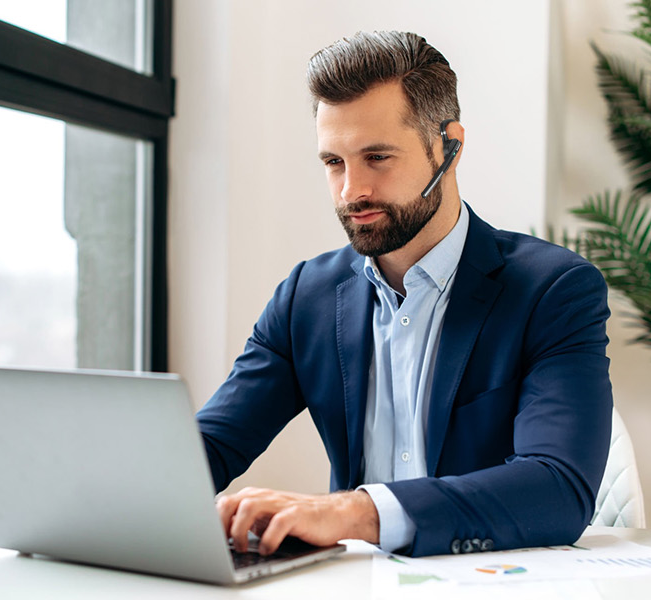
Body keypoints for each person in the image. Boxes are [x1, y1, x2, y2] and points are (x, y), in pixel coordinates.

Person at [197, 31, 613, 558]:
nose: (351, 190)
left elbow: (558, 489)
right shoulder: (307, 297)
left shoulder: (553, 290)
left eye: (377, 157)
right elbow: (209, 448)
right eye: (334, 162)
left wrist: (354, 512)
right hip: (355, 587)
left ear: (449, 146)